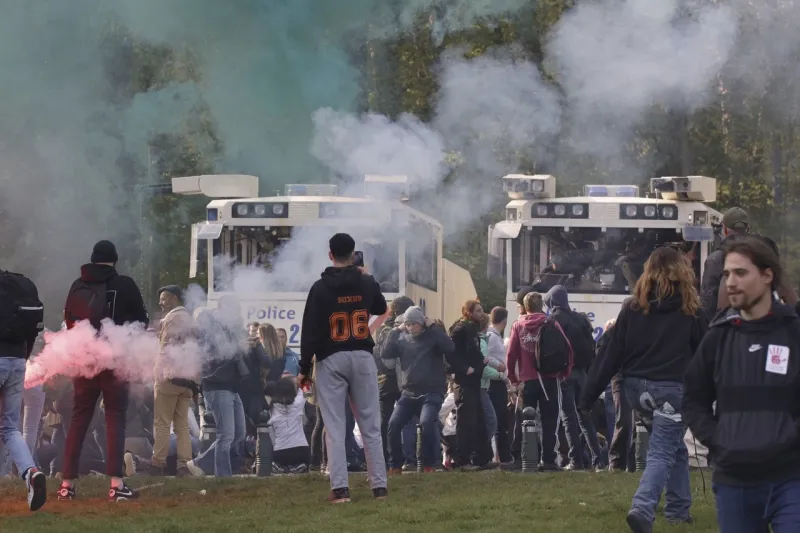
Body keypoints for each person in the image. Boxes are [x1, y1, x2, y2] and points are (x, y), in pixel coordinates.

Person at [580, 246, 707, 533]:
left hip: (636, 390)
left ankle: (678, 510)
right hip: (672, 390)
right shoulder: (692, 310)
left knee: (673, 448)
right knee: (663, 451)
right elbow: (706, 354)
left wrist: (587, 396)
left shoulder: (633, 307)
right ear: (683, 272)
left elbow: (610, 354)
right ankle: (643, 507)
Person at [684, 236, 800, 532]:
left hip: (791, 478)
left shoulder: (793, 333)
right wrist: (719, 439)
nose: (730, 282)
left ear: (766, 275)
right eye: (726, 274)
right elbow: (694, 399)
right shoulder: (718, 337)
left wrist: (789, 437)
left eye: (740, 273)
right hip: (735, 479)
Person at [297, 233, 388, 503]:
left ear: (330, 255)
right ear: (354, 253)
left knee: (335, 426)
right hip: (361, 354)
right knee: (370, 424)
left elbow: (310, 331)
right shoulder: (366, 281)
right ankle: (379, 487)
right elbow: (381, 307)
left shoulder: (320, 288)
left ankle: (340, 489)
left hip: (331, 357)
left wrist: (304, 367)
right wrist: (366, 278)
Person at [59, 240, 148, 502]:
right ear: (115, 260)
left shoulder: (78, 285)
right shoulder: (125, 284)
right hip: (114, 362)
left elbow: (68, 320)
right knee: (114, 418)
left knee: (78, 419)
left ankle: (66, 484)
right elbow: (140, 323)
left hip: (83, 360)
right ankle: (116, 484)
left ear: (92, 259)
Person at [382, 306, 455, 474]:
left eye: (413, 324)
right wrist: (396, 330)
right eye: (407, 324)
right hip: (408, 393)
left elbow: (449, 347)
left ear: (422, 323)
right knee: (393, 424)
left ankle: (429, 463)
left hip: (431, 392)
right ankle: (395, 464)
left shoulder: (433, 337)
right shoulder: (402, 339)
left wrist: (433, 327)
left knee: (427, 422)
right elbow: (385, 352)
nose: (410, 328)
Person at [506, 292, 570, 471]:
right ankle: (548, 459)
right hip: (549, 379)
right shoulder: (552, 323)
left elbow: (511, 355)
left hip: (527, 381)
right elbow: (566, 349)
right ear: (542, 305)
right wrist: (564, 372)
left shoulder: (518, 326)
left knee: (524, 419)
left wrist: (513, 378)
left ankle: (521, 458)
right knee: (551, 421)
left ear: (525, 307)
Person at [0, 267, 46, 511]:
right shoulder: (18, 285)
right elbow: (31, 333)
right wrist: (22, 358)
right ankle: (31, 472)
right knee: (9, 427)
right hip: (18, 361)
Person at [544, 285, 603, 471]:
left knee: (568, 418)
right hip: (582, 374)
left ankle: (576, 460)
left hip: (564, 375)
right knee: (584, 417)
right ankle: (598, 459)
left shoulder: (553, 321)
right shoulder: (581, 319)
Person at [700, 207, 797, 316]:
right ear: (748, 229)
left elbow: (707, 303)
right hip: (766, 319)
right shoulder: (761, 252)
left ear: (725, 229)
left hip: (730, 324)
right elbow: (785, 289)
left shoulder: (715, 259)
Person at [149, 285, 195, 477]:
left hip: (168, 377)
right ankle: (184, 464)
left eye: (164, 298)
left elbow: (165, 348)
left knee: (162, 422)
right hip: (186, 379)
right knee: (182, 424)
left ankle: (158, 463)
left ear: (175, 298)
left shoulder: (171, 318)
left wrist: (156, 372)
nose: (161, 302)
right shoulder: (190, 319)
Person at [448, 300, 495, 471]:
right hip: (465, 382)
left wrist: (479, 365)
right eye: (478, 310)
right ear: (468, 312)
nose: (481, 313)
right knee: (466, 421)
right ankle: (463, 460)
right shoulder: (461, 329)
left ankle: (481, 458)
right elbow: (450, 351)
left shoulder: (471, 329)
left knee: (479, 420)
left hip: (473, 380)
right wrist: (463, 368)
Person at [373, 296, 414, 462]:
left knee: (386, 421)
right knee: (406, 419)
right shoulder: (403, 328)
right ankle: (405, 457)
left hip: (383, 380)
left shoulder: (381, 329)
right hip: (400, 379)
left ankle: (385, 458)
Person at [485, 307, 511, 464]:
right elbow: (486, 357)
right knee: (499, 421)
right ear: (504, 321)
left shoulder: (491, 335)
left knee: (497, 421)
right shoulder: (493, 337)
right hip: (496, 382)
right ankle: (504, 457)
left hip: (496, 381)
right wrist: (499, 367)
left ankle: (500, 456)